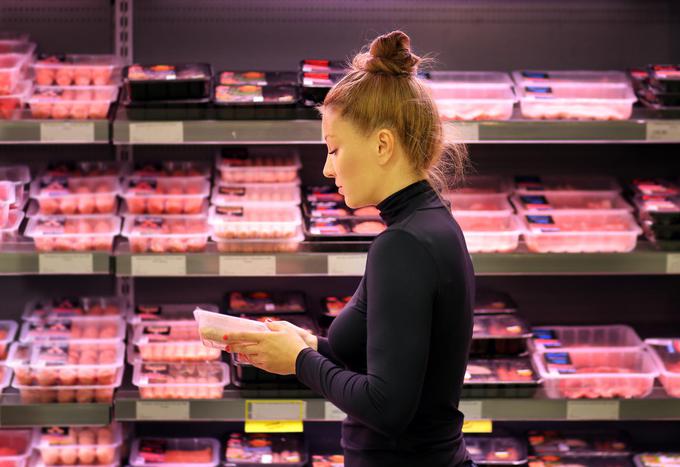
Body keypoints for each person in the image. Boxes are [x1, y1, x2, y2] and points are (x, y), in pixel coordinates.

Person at [226, 30, 475, 467]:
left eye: (334, 149)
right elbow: (393, 362)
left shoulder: (402, 245)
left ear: (382, 145)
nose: (326, 167)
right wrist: (305, 346)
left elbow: (387, 406)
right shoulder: (433, 223)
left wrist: (301, 362)